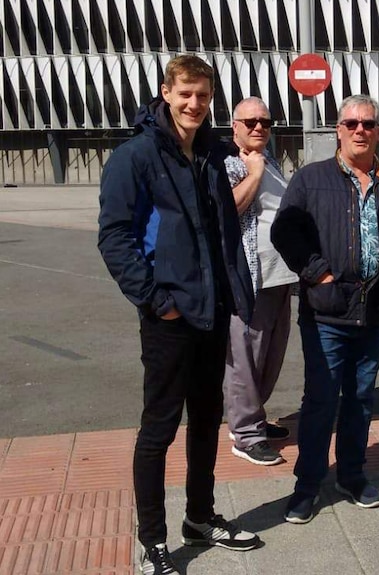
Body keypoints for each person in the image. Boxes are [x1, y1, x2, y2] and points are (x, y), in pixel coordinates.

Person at [97, 55, 260, 575]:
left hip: (212, 311)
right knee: (159, 429)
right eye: (186, 93)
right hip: (170, 317)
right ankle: (153, 540)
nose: (195, 104)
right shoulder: (136, 157)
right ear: (166, 92)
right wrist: (155, 300)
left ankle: (199, 516)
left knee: (207, 420)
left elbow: (221, 229)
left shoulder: (211, 154)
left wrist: (234, 289)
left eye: (204, 96)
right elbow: (115, 237)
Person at [271, 94, 379, 524]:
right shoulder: (311, 178)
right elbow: (287, 231)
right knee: (321, 400)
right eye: (352, 123)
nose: (360, 130)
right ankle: (307, 486)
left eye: (369, 124)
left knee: (360, 398)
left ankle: (352, 475)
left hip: (373, 312)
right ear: (338, 129)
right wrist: (317, 273)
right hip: (326, 314)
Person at [222, 97, 298, 466]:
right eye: (250, 121)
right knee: (244, 359)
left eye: (265, 122)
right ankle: (245, 433)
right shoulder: (230, 163)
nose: (258, 128)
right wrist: (250, 174)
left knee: (270, 354)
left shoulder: (271, 162)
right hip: (249, 278)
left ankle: (255, 418)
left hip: (279, 277)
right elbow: (225, 210)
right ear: (234, 126)